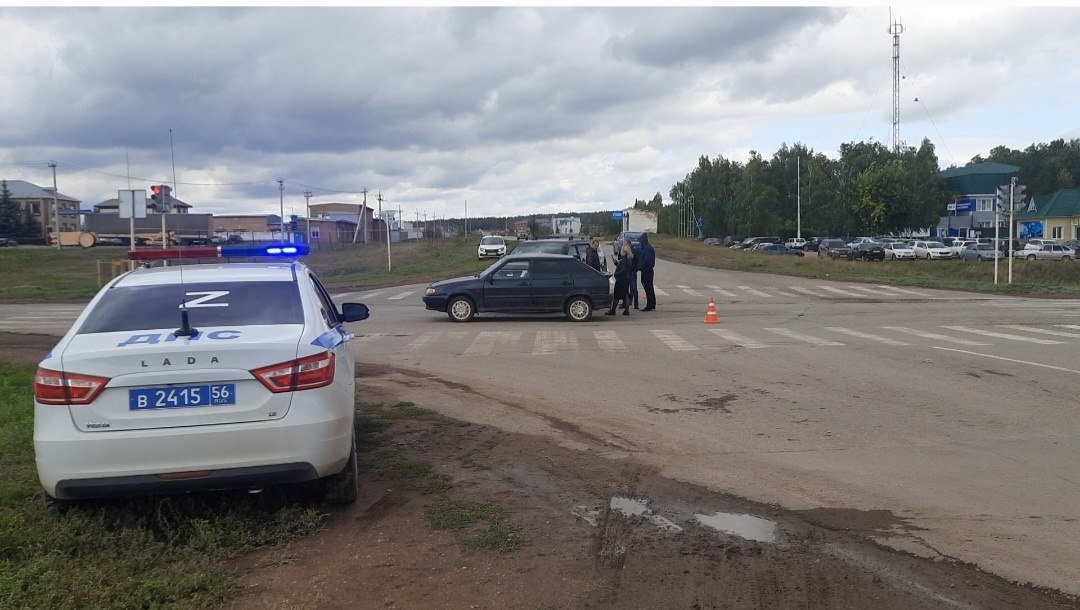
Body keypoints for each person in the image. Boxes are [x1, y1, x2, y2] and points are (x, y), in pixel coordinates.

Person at [606, 242, 634, 316]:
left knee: (616, 296)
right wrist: (617, 264)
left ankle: (613, 310)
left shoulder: (623, 260)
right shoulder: (629, 260)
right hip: (626, 279)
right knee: (625, 294)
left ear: (624, 252)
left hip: (621, 280)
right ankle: (626, 310)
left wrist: (616, 274)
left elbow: (623, 270)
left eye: (621, 250)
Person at [638, 232, 656, 311]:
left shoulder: (647, 248)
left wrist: (639, 267)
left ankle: (649, 305)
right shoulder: (647, 248)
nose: (640, 243)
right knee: (649, 288)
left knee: (648, 288)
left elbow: (646, 261)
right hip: (647, 271)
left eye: (641, 241)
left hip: (647, 271)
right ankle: (652, 304)